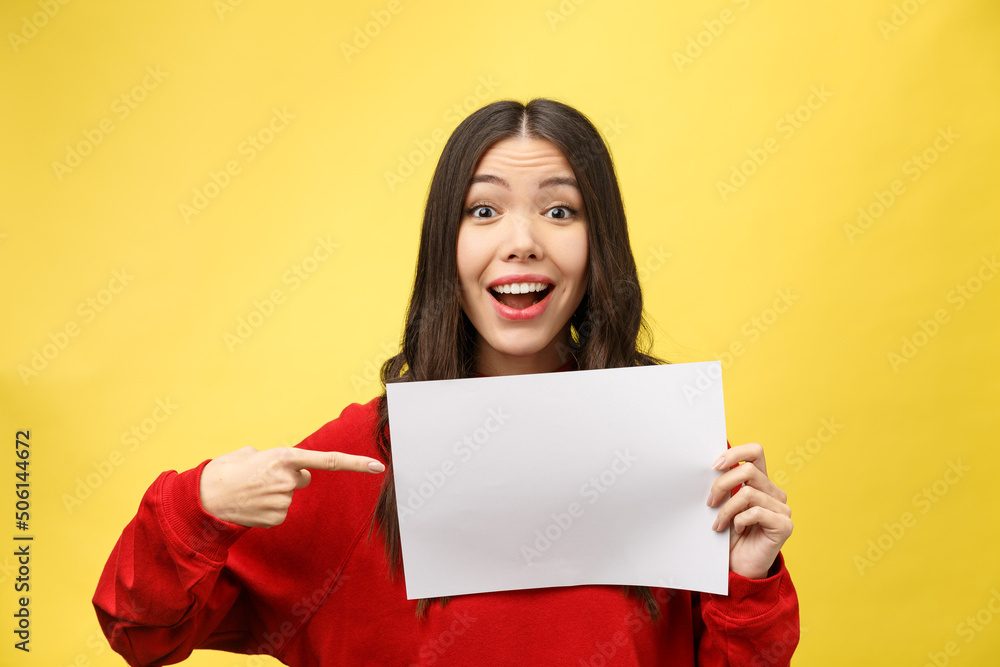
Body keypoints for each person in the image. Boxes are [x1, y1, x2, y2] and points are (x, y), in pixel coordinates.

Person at [93, 98, 798, 666]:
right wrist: (196, 504)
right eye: (483, 210)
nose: (522, 240)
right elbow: (140, 631)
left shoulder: (674, 449)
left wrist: (748, 577)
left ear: (598, 243)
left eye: (560, 210)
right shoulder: (360, 463)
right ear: (445, 245)